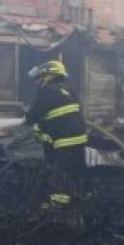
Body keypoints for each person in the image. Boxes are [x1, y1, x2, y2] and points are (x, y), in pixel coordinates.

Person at [24, 60, 87, 206]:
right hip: (80, 137)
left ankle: (58, 204)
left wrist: (31, 120)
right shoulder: (69, 90)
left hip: (64, 140)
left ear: (49, 75)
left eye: (40, 77)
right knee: (77, 169)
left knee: (61, 171)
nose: (38, 81)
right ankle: (81, 196)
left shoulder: (46, 91)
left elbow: (33, 116)